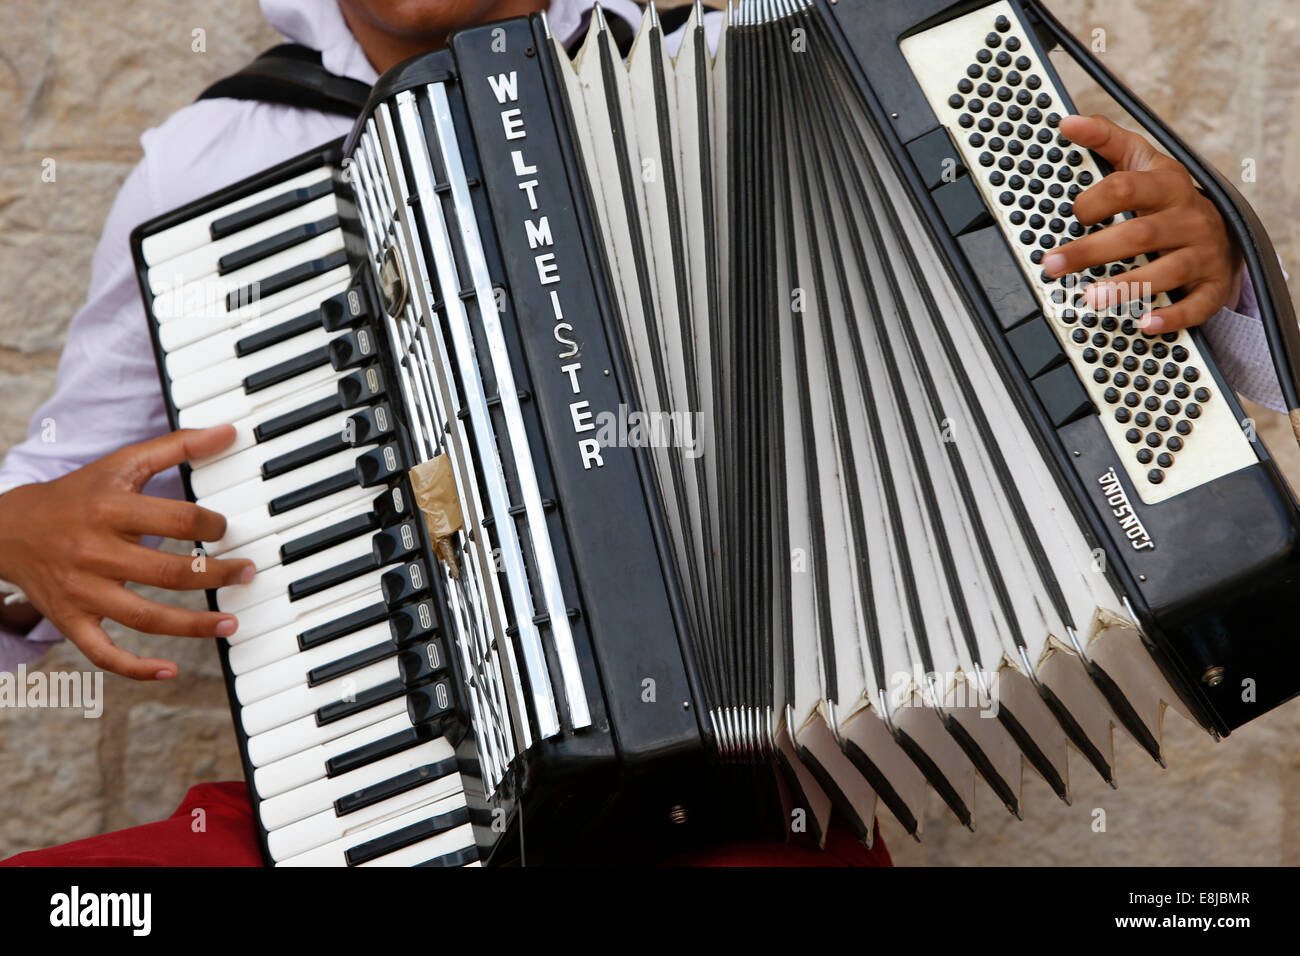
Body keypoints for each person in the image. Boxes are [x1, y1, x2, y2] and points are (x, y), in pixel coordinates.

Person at [0, 0, 1285, 865]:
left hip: (745, 816)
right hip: (382, 801)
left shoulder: (754, 50)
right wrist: (23, 535)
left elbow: (1106, 288)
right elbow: (62, 508)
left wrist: (1197, 257)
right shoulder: (214, 159)